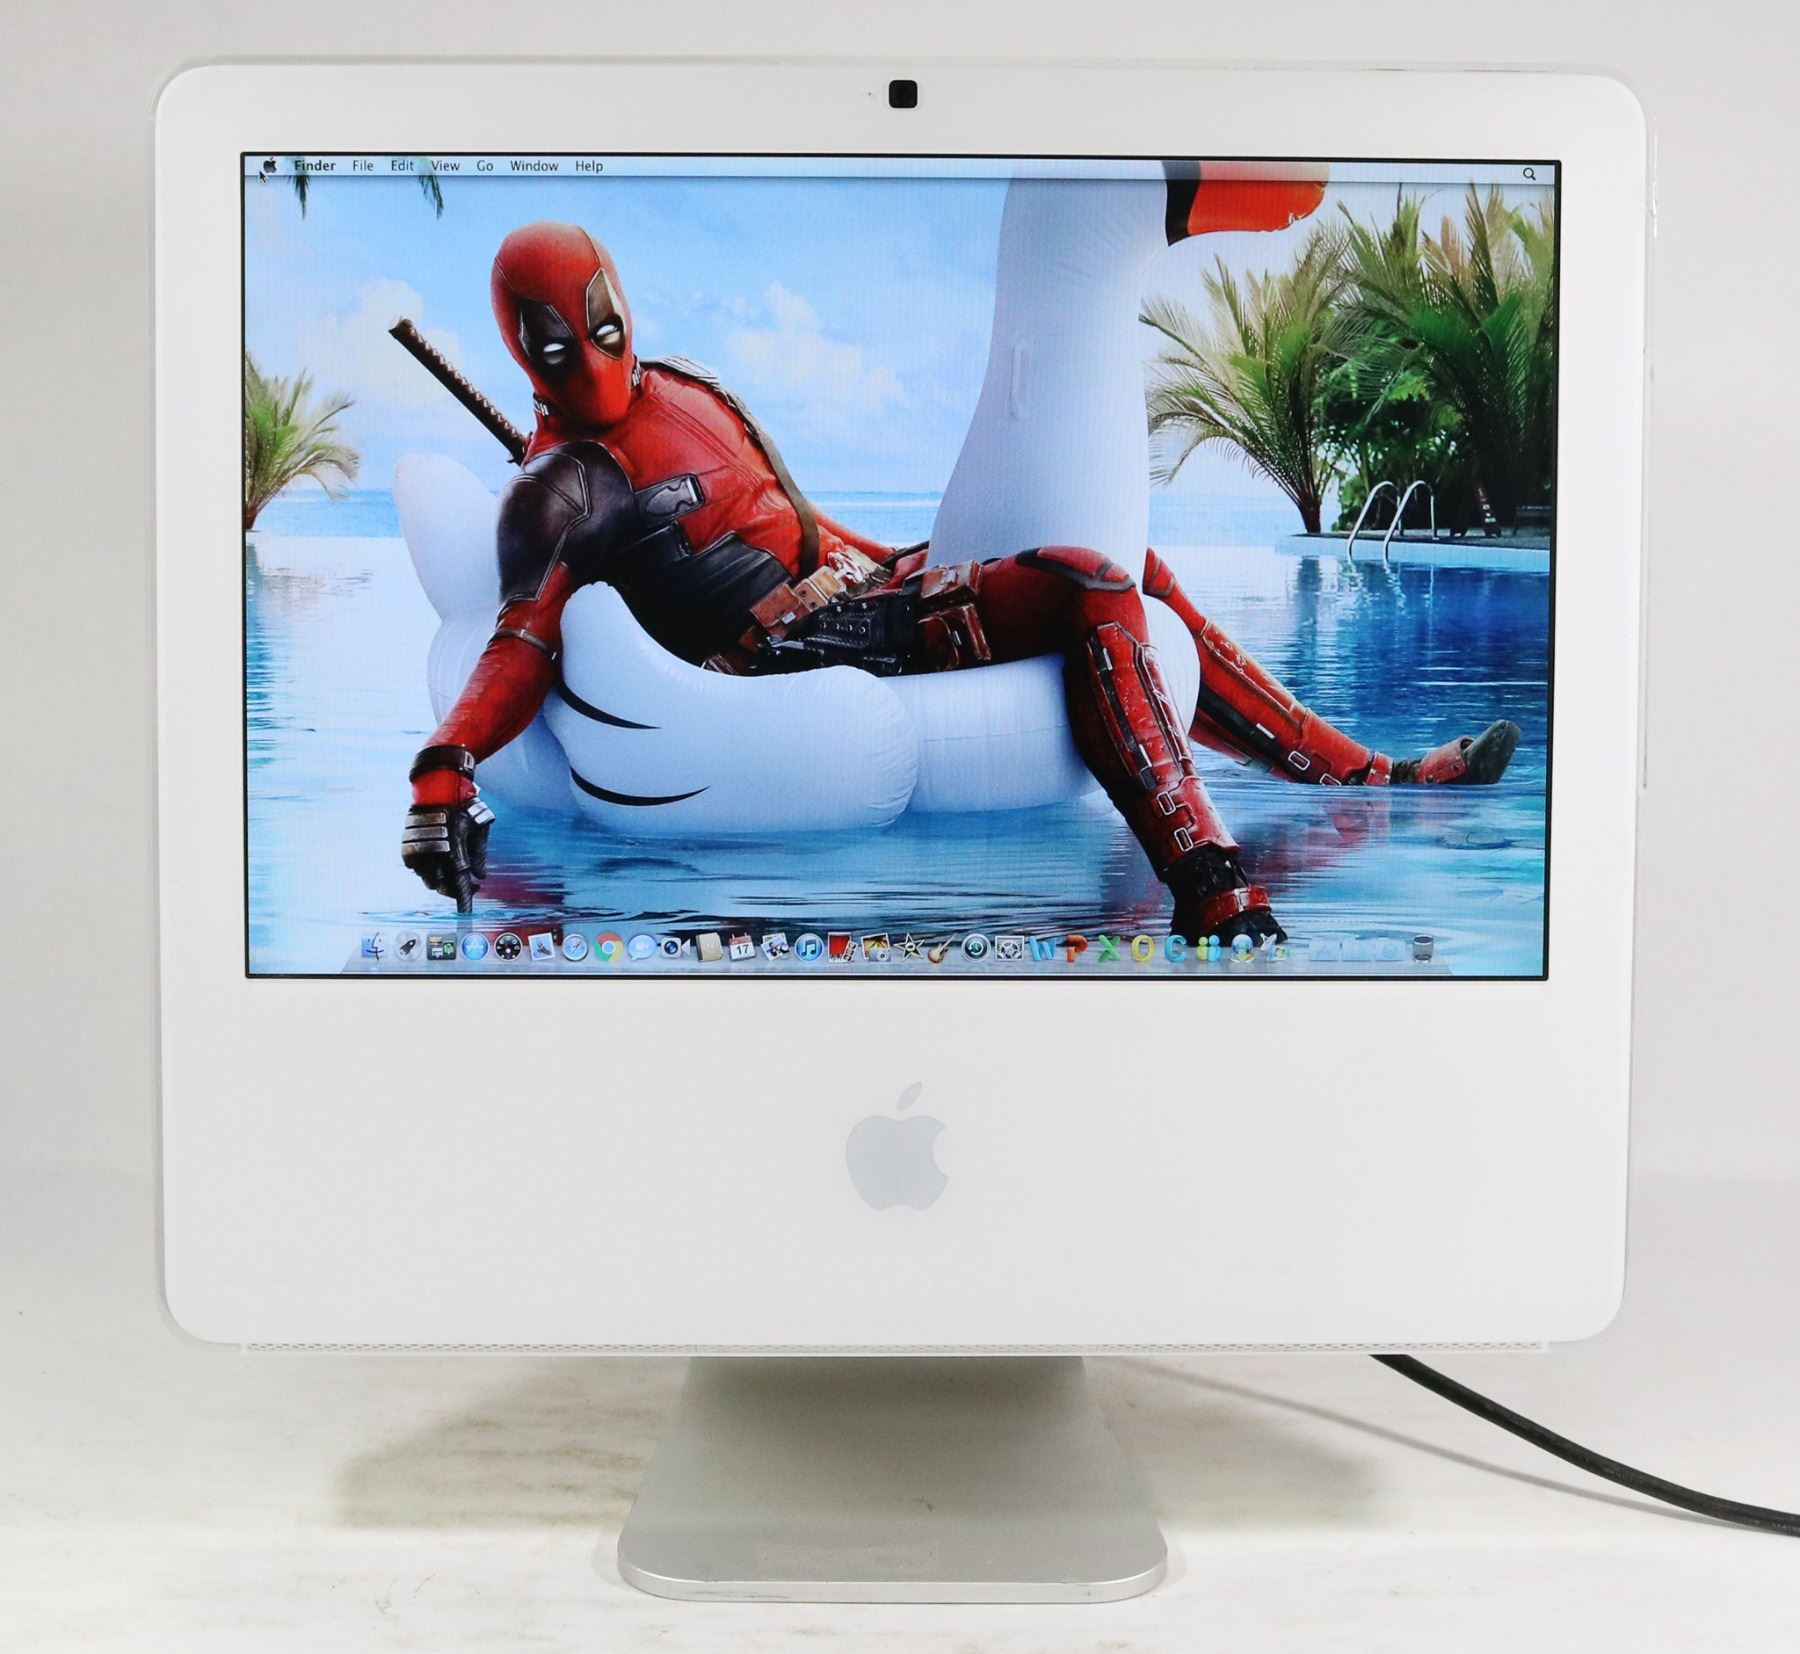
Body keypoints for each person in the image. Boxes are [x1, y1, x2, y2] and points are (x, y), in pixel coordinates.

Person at [402, 215, 1514, 942]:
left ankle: (1360, 773)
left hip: (862, 589)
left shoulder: (684, 382)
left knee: (1122, 558)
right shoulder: (559, 489)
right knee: (1089, 585)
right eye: (561, 347)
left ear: (622, 305)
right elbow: (521, 642)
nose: (595, 361)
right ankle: (1203, 876)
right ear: (524, 349)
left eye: (602, 328)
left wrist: (898, 558)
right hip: (790, 654)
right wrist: (444, 771)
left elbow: (790, 517)